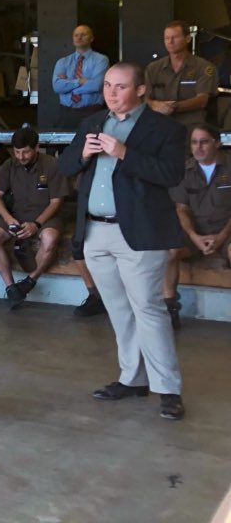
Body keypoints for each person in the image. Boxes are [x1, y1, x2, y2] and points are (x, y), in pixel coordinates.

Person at [58, 61, 188, 421]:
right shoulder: (92, 123)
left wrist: (125, 153)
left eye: (120, 87)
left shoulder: (166, 129)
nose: (111, 93)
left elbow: (171, 174)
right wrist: (83, 154)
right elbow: (65, 167)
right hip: (96, 231)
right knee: (118, 309)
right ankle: (133, 378)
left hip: (140, 232)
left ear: (141, 89)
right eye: (107, 86)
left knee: (148, 308)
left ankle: (168, 389)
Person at [0, 127, 68, 309]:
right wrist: (8, 219)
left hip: (46, 215)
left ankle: (29, 281)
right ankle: (11, 288)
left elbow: (56, 202)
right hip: (16, 214)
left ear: (37, 147)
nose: (21, 157)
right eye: (17, 152)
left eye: (26, 152)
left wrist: (37, 224)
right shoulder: (9, 164)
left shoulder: (52, 165)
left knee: (50, 238)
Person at [164, 122, 231, 330]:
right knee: (168, 252)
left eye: (204, 142)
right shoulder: (184, 171)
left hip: (226, 230)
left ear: (217, 143)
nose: (198, 147)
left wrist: (221, 237)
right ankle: (170, 308)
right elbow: (181, 209)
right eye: (194, 142)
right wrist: (195, 237)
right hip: (194, 233)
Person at [146, 20, 218, 127]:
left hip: (192, 125)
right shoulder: (153, 68)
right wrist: (153, 104)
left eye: (175, 37)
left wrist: (173, 107)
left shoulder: (203, 67)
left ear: (188, 39)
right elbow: (143, 98)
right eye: (167, 38)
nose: (170, 41)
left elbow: (202, 100)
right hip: (160, 124)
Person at [52, 24, 109, 129]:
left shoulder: (101, 60)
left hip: (92, 112)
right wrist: (79, 81)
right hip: (66, 113)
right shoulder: (63, 62)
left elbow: (96, 85)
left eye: (83, 34)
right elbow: (57, 87)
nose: (79, 37)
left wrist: (69, 87)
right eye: (76, 35)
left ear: (92, 38)